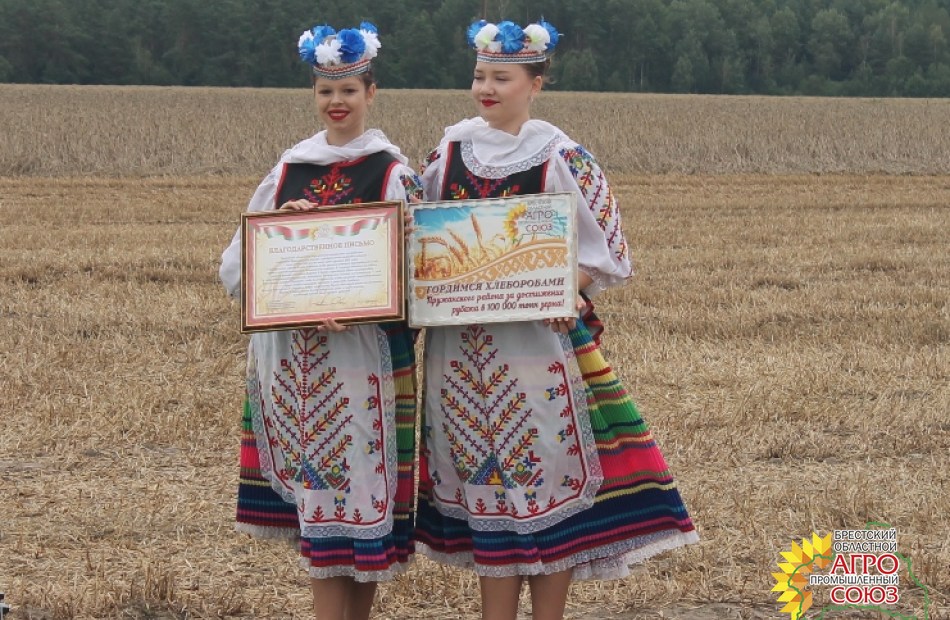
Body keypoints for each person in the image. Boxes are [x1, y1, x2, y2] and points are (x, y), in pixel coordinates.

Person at [412, 19, 699, 620]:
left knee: (546, 478)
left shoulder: (562, 156)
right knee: (486, 483)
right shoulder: (450, 151)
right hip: (460, 351)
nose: (486, 88)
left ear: (535, 84)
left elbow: (608, 253)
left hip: (536, 348)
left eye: (501, 78)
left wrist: (557, 289)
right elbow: (417, 233)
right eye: (479, 76)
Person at [218, 22, 422, 620]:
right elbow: (239, 267)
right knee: (323, 505)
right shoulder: (288, 172)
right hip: (298, 363)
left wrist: (371, 287)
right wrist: (284, 231)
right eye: (326, 91)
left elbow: (423, 272)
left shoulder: (393, 174)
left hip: (366, 358)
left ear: (371, 94)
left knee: (359, 505)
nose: (337, 102)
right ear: (313, 95)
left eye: (349, 91)